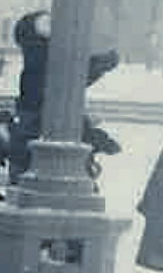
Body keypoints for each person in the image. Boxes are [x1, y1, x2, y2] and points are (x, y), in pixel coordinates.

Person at [11, 10, 120, 177]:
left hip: (30, 127)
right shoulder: (46, 57)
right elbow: (71, 80)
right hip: (42, 137)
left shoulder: (35, 57)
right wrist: (103, 62)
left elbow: (71, 79)